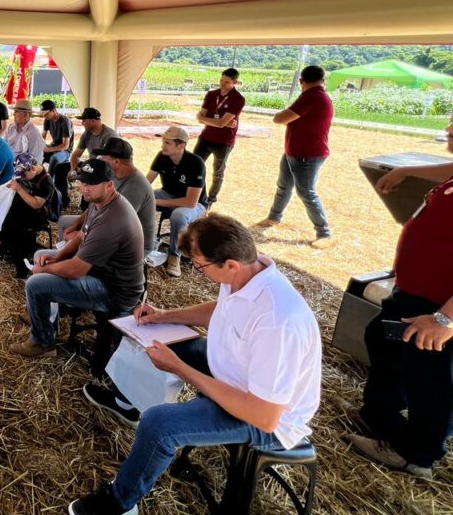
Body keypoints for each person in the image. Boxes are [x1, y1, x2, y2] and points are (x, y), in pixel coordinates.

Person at [69, 214, 322, 515]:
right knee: (153, 338)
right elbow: (220, 309)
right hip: (233, 372)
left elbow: (263, 415)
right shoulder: (246, 274)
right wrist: (163, 316)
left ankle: (120, 503)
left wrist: (180, 368)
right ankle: (127, 403)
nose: (199, 272)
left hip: (264, 416)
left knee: (158, 425)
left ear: (230, 264)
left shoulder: (278, 322)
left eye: (200, 266)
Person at [346, 115, 453, 479]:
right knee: (383, 340)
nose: (449, 130)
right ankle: (381, 418)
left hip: (436, 308)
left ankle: (416, 454)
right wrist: (407, 171)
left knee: (433, 381)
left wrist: (445, 320)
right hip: (414, 293)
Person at [10, 159, 144, 359]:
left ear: (109, 185)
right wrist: (56, 258)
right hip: (100, 271)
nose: (84, 188)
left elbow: (76, 270)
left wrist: (45, 269)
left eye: (91, 184)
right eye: (83, 182)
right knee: (40, 256)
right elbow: (82, 235)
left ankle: (42, 343)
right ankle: (45, 317)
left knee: (35, 283)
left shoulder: (112, 220)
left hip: (114, 291)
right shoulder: (100, 202)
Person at [256, 65, 335, 248]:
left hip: (307, 154)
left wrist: (281, 113)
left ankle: (324, 233)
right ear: (323, 80)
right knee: (284, 186)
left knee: (307, 192)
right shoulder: (318, 96)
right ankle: (274, 217)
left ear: (301, 81)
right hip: (296, 151)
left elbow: (280, 118)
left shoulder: (311, 96)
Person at [147, 126, 207, 278]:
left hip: (195, 204)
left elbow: (191, 202)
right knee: (139, 198)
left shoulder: (196, 163)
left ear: (181, 145)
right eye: (163, 141)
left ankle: (175, 256)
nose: (163, 145)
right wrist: (142, 195)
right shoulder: (162, 156)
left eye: (167, 143)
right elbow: (146, 183)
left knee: (178, 216)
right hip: (167, 194)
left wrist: (154, 201)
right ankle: (142, 243)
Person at [193, 68, 245, 207]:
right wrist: (222, 123)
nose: (222, 84)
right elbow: (204, 118)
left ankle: (211, 200)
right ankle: (199, 196)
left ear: (234, 82)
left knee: (218, 172)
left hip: (224, 141)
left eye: (227, 82)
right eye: (221, 80)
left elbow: (214, 121)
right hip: (206, 137)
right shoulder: (211, 94)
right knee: (195, 166)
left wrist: (216, 122)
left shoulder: (238, 99)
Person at [0, 152, 56, 278]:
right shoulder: (29, 172)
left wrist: (19, 189)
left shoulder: (46, 182)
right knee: (2, 220)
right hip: (23, 208)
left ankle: (21, 265)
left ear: (33, 168)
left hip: (37, 215)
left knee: (12, 228)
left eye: (24, 175)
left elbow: (36, 204)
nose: (23, 177)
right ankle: (11, 247)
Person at [96, 138, 157, 255]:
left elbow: (114, 224)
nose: (100, 159)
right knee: (66, 223)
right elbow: (96, 205)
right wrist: (78, 226)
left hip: (135, 247)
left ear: (116, 162)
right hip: (117, 233)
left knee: (78, 253)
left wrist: (83, 235)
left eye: (104, 157)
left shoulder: (135, 186)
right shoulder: (115, 174)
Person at [53, 106, 119, 209]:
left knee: (87, 180)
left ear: (93, 121)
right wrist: (73, 170)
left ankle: (87, 209)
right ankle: (63, 203)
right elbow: (76, 154)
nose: (82, 123)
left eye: (84, 121)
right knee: (60, 168)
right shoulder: (87, 134)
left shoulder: (109, 136)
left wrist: (84, 170)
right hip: (90, 165)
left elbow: (108, 162)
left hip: (104, 169)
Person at [40, 99, 74, 178]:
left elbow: (65, 145)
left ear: (54, 110)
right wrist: (40, 146)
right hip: (54, 146)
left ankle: (50, 181)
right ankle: (38, 178)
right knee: (37, 153)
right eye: (43, 114)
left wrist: (49, 149)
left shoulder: (65, 121)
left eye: (46, 113)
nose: (45, 116)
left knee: (54, 158)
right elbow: (42, 137)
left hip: (65, 151)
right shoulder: (47, 120)